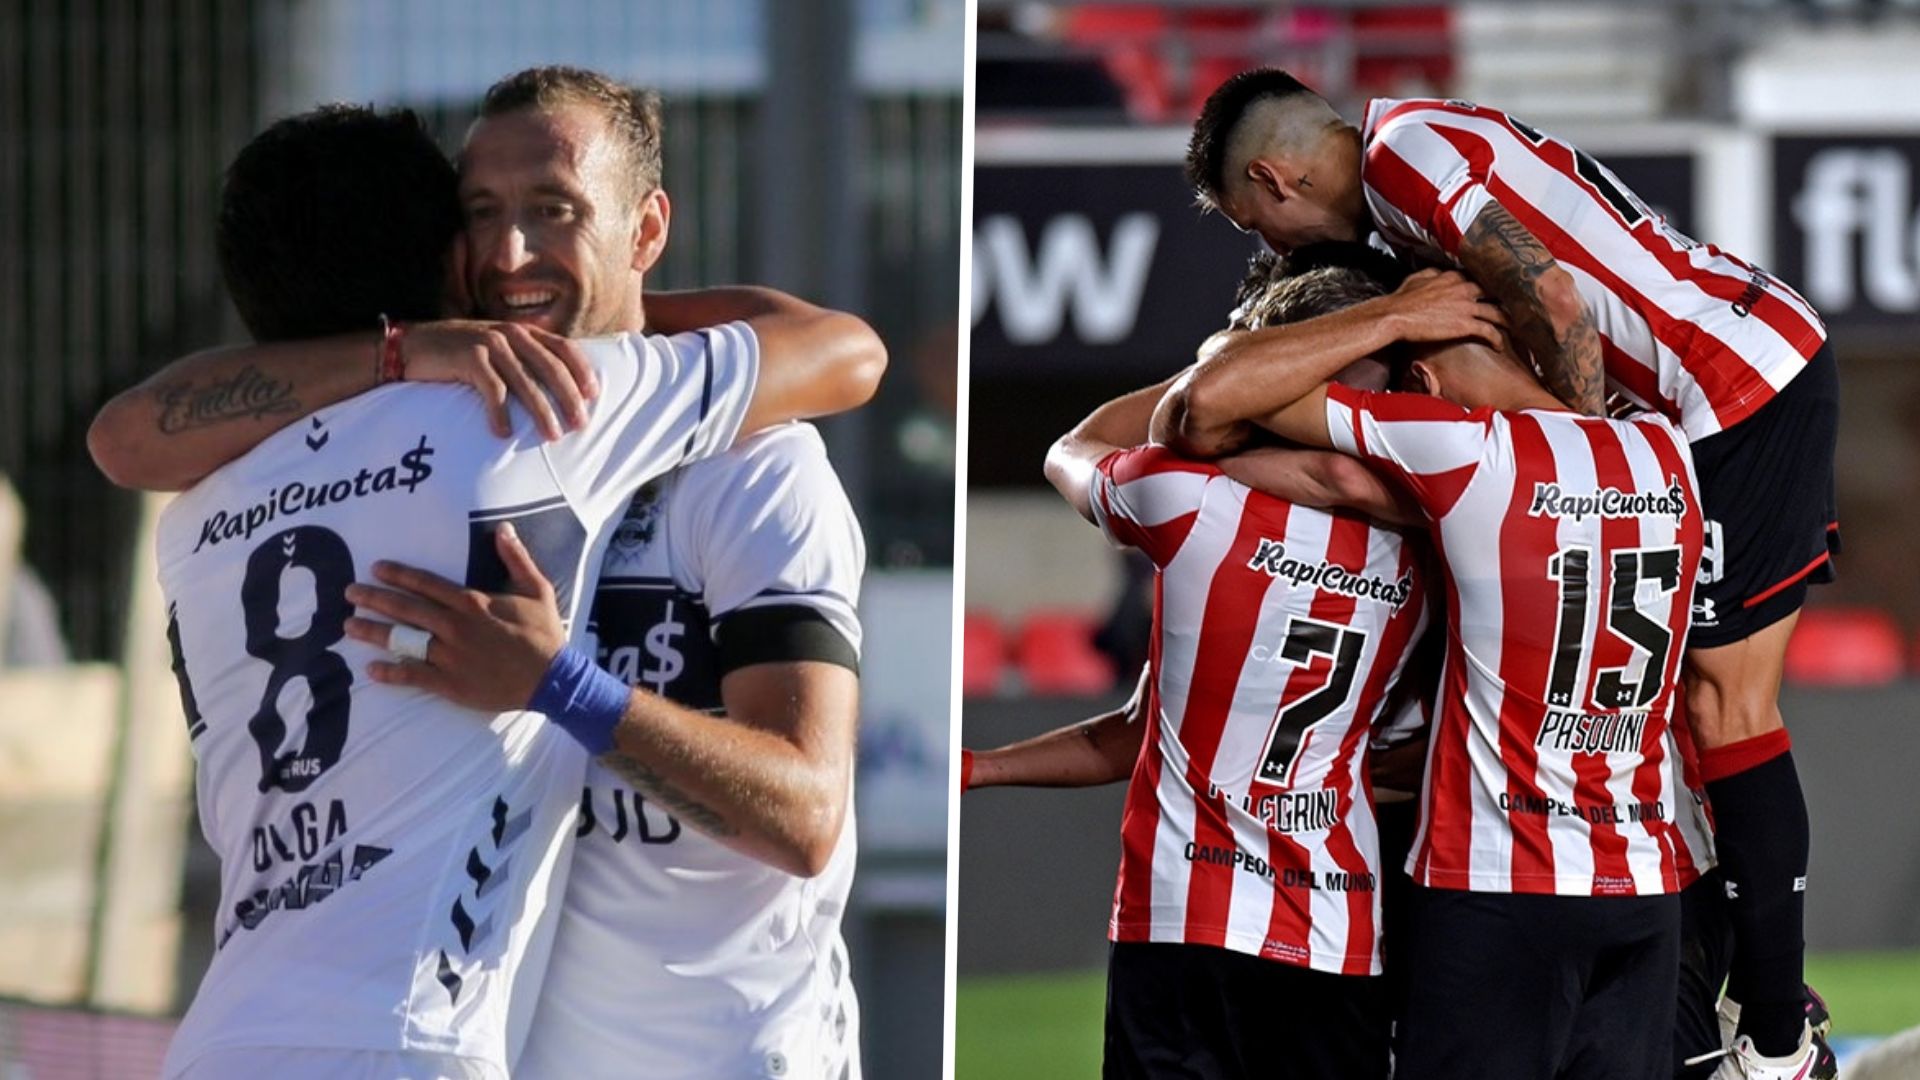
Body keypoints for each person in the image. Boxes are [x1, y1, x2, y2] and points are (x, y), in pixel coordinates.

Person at [92, 67, 879, 1078]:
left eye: (553, 213)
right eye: (480, 216)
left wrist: (564, 689)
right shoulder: (520, 419)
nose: (511, 257)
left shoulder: (200, 507)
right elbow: (842, 346)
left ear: (644, 231)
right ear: (439, 258)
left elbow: (808, 817)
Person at [1183, 70, 1836, 1077]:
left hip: (1727, 388)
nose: (1271, 249)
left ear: (1274, 178)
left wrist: (1576, 472)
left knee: (1722, 709)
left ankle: (1780, 1037)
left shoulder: (1404, 165)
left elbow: (1559, 300)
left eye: (1253, 225)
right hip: (1729, 368)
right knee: (1661, 716)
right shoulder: (1423, 135)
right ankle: (1740, 984)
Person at [1157, 261, 1708, 1080]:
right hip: (1642, 885)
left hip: (1497, 882)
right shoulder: (1664, 452)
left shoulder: (1471, 454)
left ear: (1422, 378)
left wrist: (1381, 316)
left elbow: (1208, 404)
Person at [970, 260, 1515, 1080]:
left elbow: (1072, 450)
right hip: (1337, 926)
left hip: (1184, 917)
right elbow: (1141, 735)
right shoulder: (1441, 547)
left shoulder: (1182, 502)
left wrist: (1227, 375)